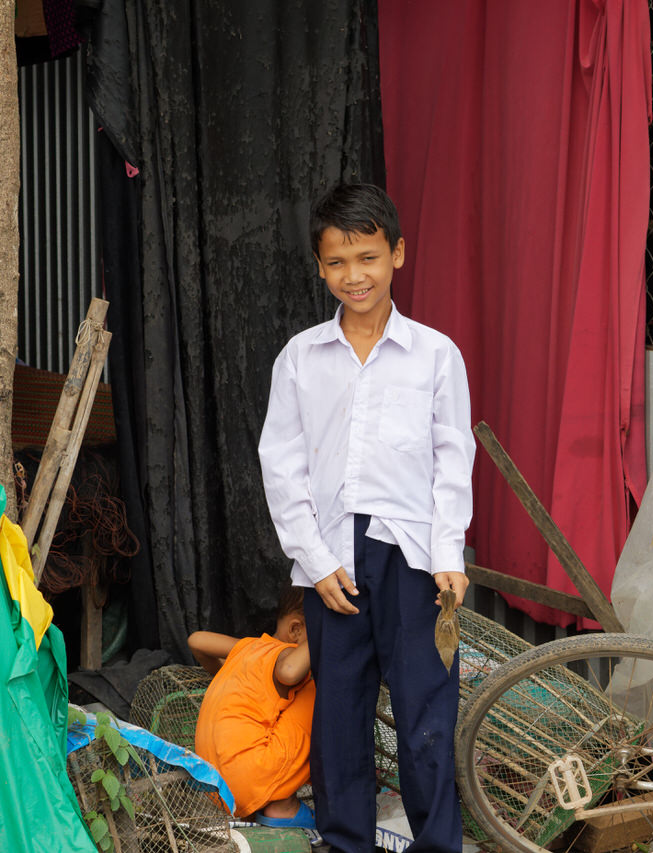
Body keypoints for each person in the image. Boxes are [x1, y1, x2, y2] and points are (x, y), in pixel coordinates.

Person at [258, 182, 475, 853]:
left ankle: (436, 843)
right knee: (341, 713)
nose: (355, 275)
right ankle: (346, 839)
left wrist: (448, 553)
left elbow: (451, 456)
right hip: (332, 559)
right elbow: (281, 462)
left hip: (412, 557)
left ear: (398, 255)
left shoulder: (436, 355)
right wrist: (314, 560)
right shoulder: (301, 357)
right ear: (320, 268)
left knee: (425, 711)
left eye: (368, 257)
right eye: (338, 261)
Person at [189, 586, 316, 833]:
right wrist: (323, 636)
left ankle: (267, 794)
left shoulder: (250, 649)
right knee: (315, 689)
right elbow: (289, 671)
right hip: (248, 781)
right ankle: (283, 805)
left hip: (215, 788)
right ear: (296, 630)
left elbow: (196, 641)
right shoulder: (285, 655)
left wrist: (227, 671)